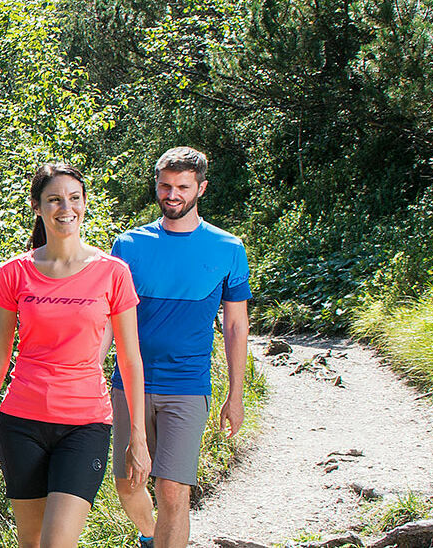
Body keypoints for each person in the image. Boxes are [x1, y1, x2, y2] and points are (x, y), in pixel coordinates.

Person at [0, 163, 151, 548]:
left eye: (73, 198)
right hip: (22, 423)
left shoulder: (113, 272)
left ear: (84, 204)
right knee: (30, 543)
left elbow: (130, 359)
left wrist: (137, 434)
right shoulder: (15, 273)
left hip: (85, 425)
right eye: (54, 199)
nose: (65, 207)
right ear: (37, 206)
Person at [108, 146, 251, 548]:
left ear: (201, 188)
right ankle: (153, 538)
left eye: (183, 187)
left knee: (173, 489)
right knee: (127, 484)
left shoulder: (228, 248)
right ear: (156, 185)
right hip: (129, 384)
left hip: (187, 386)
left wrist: (235, 394)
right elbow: (107, 318)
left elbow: (236, 325)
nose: (173, 195)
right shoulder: (129, 245)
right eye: (166, 186)